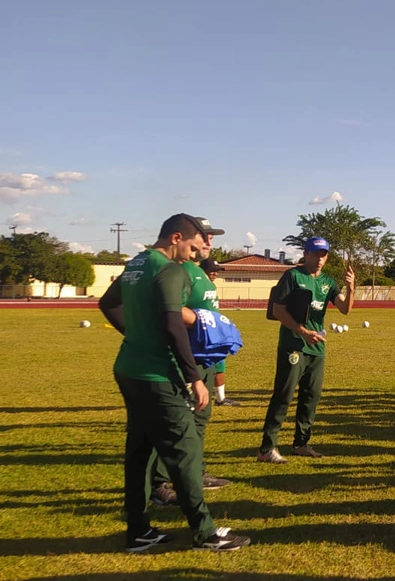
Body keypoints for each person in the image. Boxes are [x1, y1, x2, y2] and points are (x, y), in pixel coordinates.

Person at [98, 213, 250, 552]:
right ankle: (206, 533)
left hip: (129, 367)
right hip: (157, 375)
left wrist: (135, 335)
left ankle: (138, 532)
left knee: (138, 452)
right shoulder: (169, 270)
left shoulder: (137, 264)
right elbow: (172, 324)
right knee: (186, 452)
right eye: (195, 247)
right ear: (176, 238)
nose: (197, 254)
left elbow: (107, 303)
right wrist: (195, 378)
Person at [147, 225, 231, 507]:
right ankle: (159, 483)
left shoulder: (199, 273)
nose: (208, 242)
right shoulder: (179, 270)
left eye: (211, 238)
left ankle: (195, 471)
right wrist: (204, 320)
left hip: (204, 358)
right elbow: (169, 309)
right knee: (176, 422)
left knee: (199, 419)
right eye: (204, 236)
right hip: (186, 358)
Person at [257, 237, 355, 463]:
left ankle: (301, 443)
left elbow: (345, 309)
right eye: (315, 254)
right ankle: (266, 448)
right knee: (284, 395)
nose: (320, 259)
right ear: (306, 254)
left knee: (311, 397)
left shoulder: (328, 282)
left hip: (317, 349)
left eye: (324, 255)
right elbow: (278, 310)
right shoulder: (293, 276)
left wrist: (351, 288)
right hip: (293, 345)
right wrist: (302, 331)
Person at [202, 257, 240, 408]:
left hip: (214, 330)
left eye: (217, 271)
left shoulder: (211, 287)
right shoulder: (197, 285)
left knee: (220, 362)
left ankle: (220, 398)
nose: (215, 273)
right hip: (202, 330)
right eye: (212, 270)